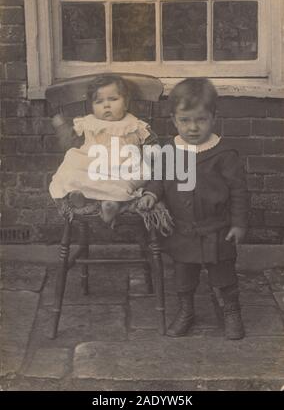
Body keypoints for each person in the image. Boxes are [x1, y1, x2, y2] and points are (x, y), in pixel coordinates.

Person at [138, 78, 249, 340]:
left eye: (201, 120)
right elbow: (160, 179)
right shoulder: (170, 151)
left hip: (216, 228)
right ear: (175, 121)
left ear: (213, 118)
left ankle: (231, 311)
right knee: (183, 276)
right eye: (185, 120)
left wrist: (238, 224)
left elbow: (239, 192)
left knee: (223, 274)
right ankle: (186, 311)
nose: (193, 127)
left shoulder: (224, 154)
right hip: (183, 229)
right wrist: (151, 194)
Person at [49, 74, 160, 227]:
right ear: (92, 106)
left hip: (122, 169)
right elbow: (70, 142)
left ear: (126, 103)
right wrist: (63, 128)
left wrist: (152, 151)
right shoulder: (88, 123)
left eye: (113, 99)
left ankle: (111, 205)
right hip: (93, 166)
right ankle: (79, 196)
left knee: (128, 181)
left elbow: (151, 143)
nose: (106, 105)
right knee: (72, 164)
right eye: (99, 101)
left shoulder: (135, 124)